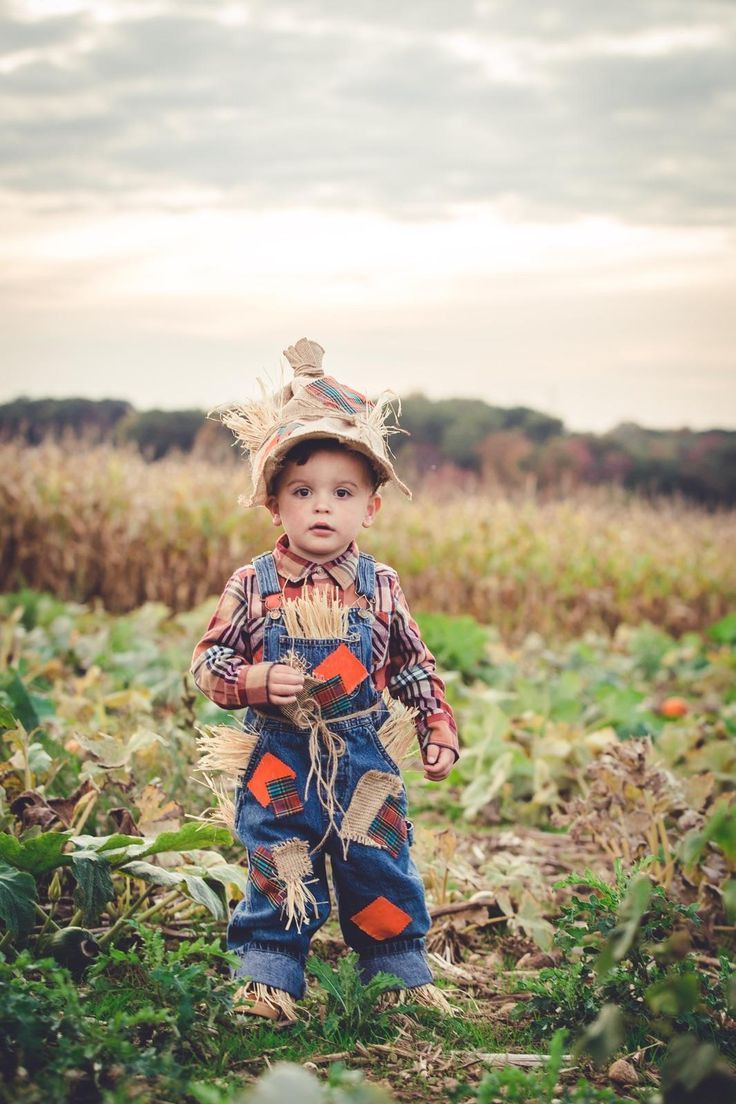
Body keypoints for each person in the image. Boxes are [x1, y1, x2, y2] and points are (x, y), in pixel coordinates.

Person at [190, 338, 459, 1023]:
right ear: (274, 502)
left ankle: (397, 976)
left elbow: (412, 664)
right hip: (280, 754)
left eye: (342, 493)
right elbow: (208, 664)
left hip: (364, 752)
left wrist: (436, 726)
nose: (321, 507)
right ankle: (270, 978)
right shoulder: (253, 583)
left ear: (370, 506)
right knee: (282, 864)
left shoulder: (381, 586)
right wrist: (254, 680)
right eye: (302, 491)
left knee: (379, 858)